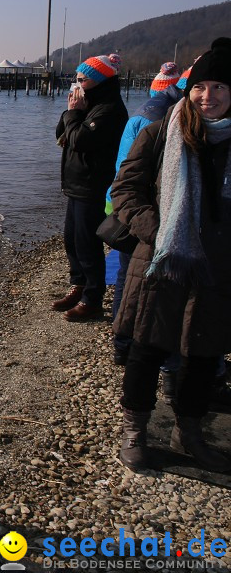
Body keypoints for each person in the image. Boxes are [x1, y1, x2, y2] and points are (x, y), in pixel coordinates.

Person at [113, 38, 231, 472]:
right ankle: (135, 432)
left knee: (203, 355)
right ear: (189, 89)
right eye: (201, 87)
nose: (208, 96)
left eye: (220, 87)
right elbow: (124, 191)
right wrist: (157, 230)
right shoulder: (162, 132)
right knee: (146, 350)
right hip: (161, 262)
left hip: (218, 271)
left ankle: (190, 432)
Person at [108, 62, 180, 364]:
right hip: (142, 215)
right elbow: (131, 173)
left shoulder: (144, 111)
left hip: (129, 208)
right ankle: (128, 343)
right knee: (132, 275)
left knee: (129, 274)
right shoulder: (158, 121)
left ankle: (125, 341)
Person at [51, 54, 128, 321]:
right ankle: (79, 284)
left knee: (87, 244)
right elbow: (61, 133)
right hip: (76, 184)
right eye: (76, 79)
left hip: (92, 185)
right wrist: (71, 111)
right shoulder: (88, 104)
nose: (76, 84)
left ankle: (92, 298)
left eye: (82, 79)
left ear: (97, 81)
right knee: (71, 239)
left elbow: (81, 140)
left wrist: (74, 114)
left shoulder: (109, 109)